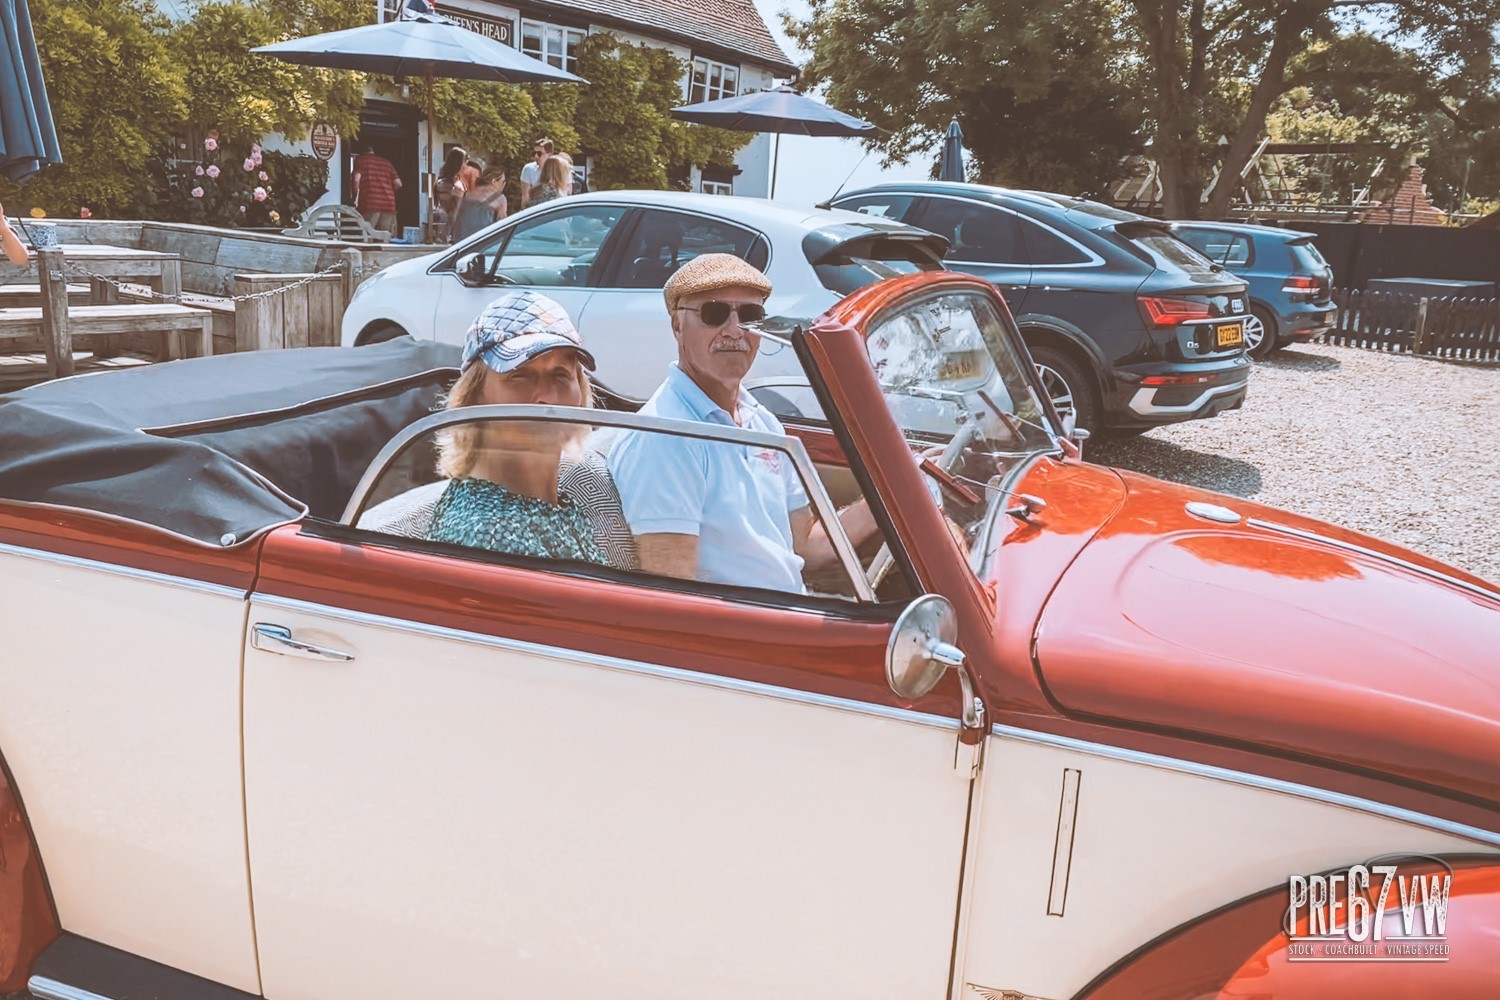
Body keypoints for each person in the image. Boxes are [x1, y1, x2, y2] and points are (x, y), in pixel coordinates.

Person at [608, 254, 879, 592]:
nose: (735, 331)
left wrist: (904, 492)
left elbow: (805, 545)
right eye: (714, 313)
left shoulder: (763, 423)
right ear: (677, 326)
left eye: (750, 316)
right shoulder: (665, 436)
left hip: (791, 610)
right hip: (750, 630)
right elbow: (673, 595)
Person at [424, 290, 612, 566]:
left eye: (560, 374)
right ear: (475, 398)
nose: (545, 395)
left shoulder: (549, 507)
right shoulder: (487, 534)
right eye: (519, 375)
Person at [351, 144, 401, 236]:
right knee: (386, 238)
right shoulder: (387, 163)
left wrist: (354, 197)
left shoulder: (361, 160)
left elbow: (356, 180)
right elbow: (398, 184)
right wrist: (386, 191)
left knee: (367, 236)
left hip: (370, 204)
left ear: (362, 153)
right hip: (389, 205)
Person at [451, 166, 508, 241]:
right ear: (494, 181)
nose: (504, 185)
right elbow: (503, 224)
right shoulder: (499, 198)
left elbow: (455, 218)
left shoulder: (467, 195)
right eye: (503, 182)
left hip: (462, 242)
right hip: (483, 242)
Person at [433, 147, 468, 242]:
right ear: (458, 163)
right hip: (451, 225)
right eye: (465, 162)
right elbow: (457, 210)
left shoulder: (440, 182)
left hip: (440, 220)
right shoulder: (456, 185)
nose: (466, 166)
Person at [520, 137, 553, 208]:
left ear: (549, 155)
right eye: (534, 153)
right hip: (536, 211)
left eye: (539, 153)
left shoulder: (558, 170)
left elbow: (567, 193)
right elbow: (525, 196)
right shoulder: (528, 169)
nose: (536, 156)